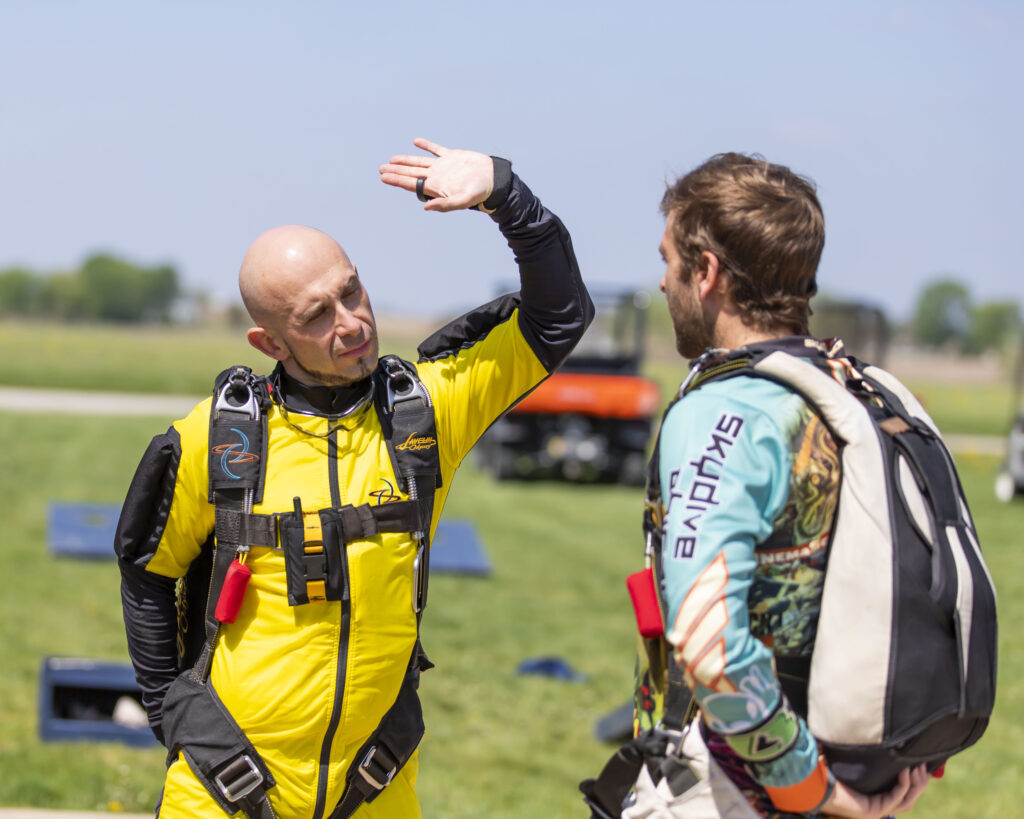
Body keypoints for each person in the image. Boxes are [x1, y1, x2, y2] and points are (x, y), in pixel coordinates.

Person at [115, 138, 593, 818]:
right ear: (270, 343)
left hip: (374, 789)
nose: (353, 323)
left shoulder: (426, 413)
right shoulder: (219, 440)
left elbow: (559, 317)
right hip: (221, 792)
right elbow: (146, 570)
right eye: (317, 315)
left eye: (352, 290)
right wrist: (177, 717)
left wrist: (504, 194)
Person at [651, 153, 931, 819]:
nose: (662, 284)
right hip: (861, 762)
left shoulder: (725, 410)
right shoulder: (865, 392)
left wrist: (807, 787)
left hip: (745, 786)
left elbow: (707, 636)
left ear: (707, 273)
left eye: (667, 261)